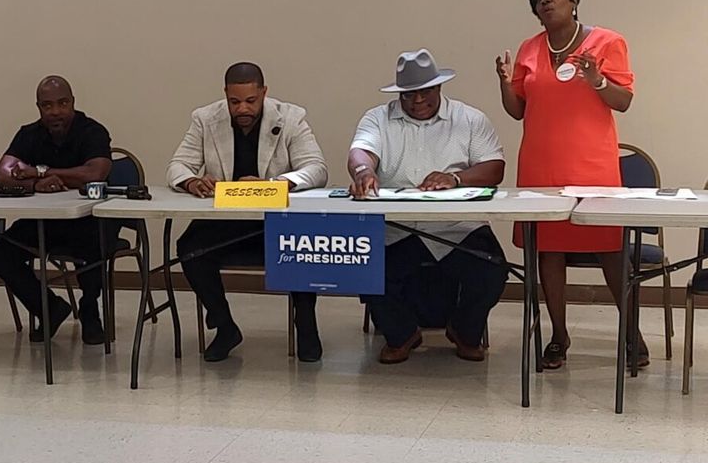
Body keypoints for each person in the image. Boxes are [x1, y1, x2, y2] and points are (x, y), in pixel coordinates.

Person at [496, 0, 643, 369]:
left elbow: (623, 101)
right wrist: (506, 84)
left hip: (592, 168)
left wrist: (596, 80)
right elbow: (518, 110)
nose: (545, 1)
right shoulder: (529, 48)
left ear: (573, 0)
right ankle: (559, 336)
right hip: (541, 167)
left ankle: (632, 334)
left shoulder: (607, 42)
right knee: (549, 250)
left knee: (611, 249)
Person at [349, 49, 508, 364]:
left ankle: (464, 331)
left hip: (456, 227)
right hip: (396, 228)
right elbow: (360, 152)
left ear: (439, 87)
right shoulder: (377, 118)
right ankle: (402, 334)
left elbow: (494, 168)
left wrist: (456, 178)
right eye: (408, 95)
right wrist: (363, 171)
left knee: (492, 270)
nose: (417, 100)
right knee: (363, 267)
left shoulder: (469, 118)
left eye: (425, 92)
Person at [167, 62, 328, 362]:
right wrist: (191, 181)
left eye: (250, 101)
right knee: (189, 248)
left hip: (277, 220)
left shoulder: (291, 117)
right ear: (225, 95)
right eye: (234, 101)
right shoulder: (205, 118)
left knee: (300, 245)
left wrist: (273, 185)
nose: (242, 108)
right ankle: (224, 326)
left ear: (264, 93)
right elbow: (177, 165)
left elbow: (316, 169)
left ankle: (306, 325)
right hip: (226, 220)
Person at [0, 75, 115, 345]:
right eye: (47, 105)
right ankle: (48, 308)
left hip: (89, 220)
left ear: (73, 102)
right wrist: (36, 184)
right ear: (38, 107)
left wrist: (40, 171)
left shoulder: (92, 131)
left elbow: (95, 174)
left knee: (93, 246)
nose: (55, 111)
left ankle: (90, 311)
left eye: (62, 103)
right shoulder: (29, 134)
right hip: (44, 221)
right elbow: (2, 175)